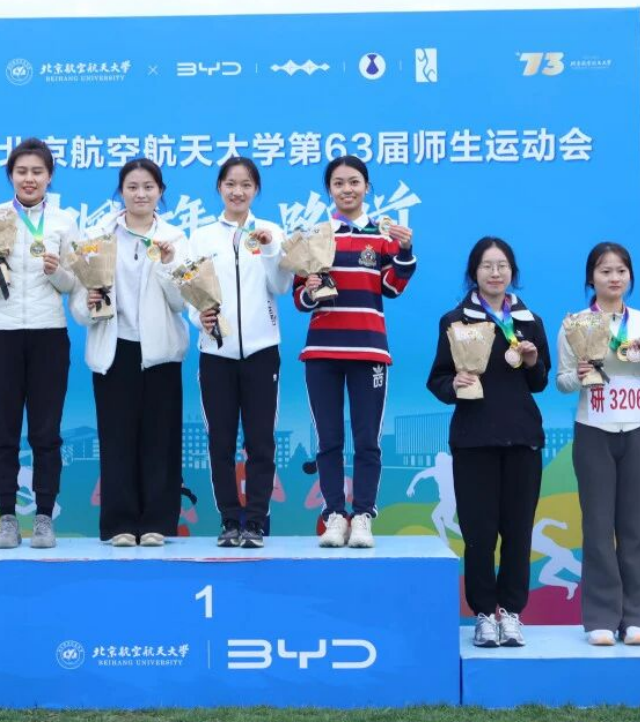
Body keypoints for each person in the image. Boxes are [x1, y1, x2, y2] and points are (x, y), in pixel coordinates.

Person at [426, 237, 550, 647]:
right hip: (474, 441)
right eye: (486, 266)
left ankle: (511, 613)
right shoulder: (455, 321)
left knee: (518, 532)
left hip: (522, 440)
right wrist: (455, 383)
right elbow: (437, 379)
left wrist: (532, 361)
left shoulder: (529, 321)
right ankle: (483, 614)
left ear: (512, 271)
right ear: (473, 272)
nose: (495, 273)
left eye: (502, 266)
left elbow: (539, 382)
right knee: (478, 535)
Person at [294, 155, 416, 549]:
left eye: (354, 182)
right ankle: (334, 515)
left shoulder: (381, 235)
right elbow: (300, 299)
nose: (347, 189)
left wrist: (405, 249)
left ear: (366, 187)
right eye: (338, 183)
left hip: (368, 350)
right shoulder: (315, 235)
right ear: (329, 190)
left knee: (367, 440)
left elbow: (392, 288)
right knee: (328, 440)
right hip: (322, 351)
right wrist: (310, 289)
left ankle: (362, 515)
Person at [0, 137, 77, 549]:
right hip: (0, 334)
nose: (30, 178)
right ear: (10, 175)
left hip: (49, 334)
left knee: (46, 433)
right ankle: (7, 518)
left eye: (37, 172)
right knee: (3, 432)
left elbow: (74, 282)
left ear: (49, 176)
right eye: (22, 171)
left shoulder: (64, 221)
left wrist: (57, 271)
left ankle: (44, 517)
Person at [556, 242, 640, 645]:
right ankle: (601, 618)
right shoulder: (574, 324)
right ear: (591, 278)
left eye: (621, 270)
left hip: (639, 428)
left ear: (630, 276)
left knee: (636, 526)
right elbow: (562, 382)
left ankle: (637, 617)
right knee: (597, 526)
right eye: (605, 271)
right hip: (593, 430)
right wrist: (580, 373)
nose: (614, 278)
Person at [70, 158, 188, 547]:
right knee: (117, 439)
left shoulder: (175, 238)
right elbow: (79, 307)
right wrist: (88, 302)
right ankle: (119, 523)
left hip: (160, 352)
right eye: (132, 187)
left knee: (160, 440)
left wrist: (169, 265)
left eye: (148, 187)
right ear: (120, 191)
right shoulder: (98, 237)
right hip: (113, 349)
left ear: (160, 192)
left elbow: (182, 301)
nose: (140, 194)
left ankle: (157, 522)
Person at [187, 158, 291, 549]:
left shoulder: (271, 231)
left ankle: (257, 521)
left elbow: (281, 286)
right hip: (216, 353)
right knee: (221, 442)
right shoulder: (202, 237)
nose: (238, 191)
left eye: (246, 184)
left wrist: (269, 249)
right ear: (219, 187)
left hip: (262, 351)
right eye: (230, 184)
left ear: (256, 190)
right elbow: (190, 291)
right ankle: (230, 520)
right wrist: (199, 318)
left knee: (261, 441)